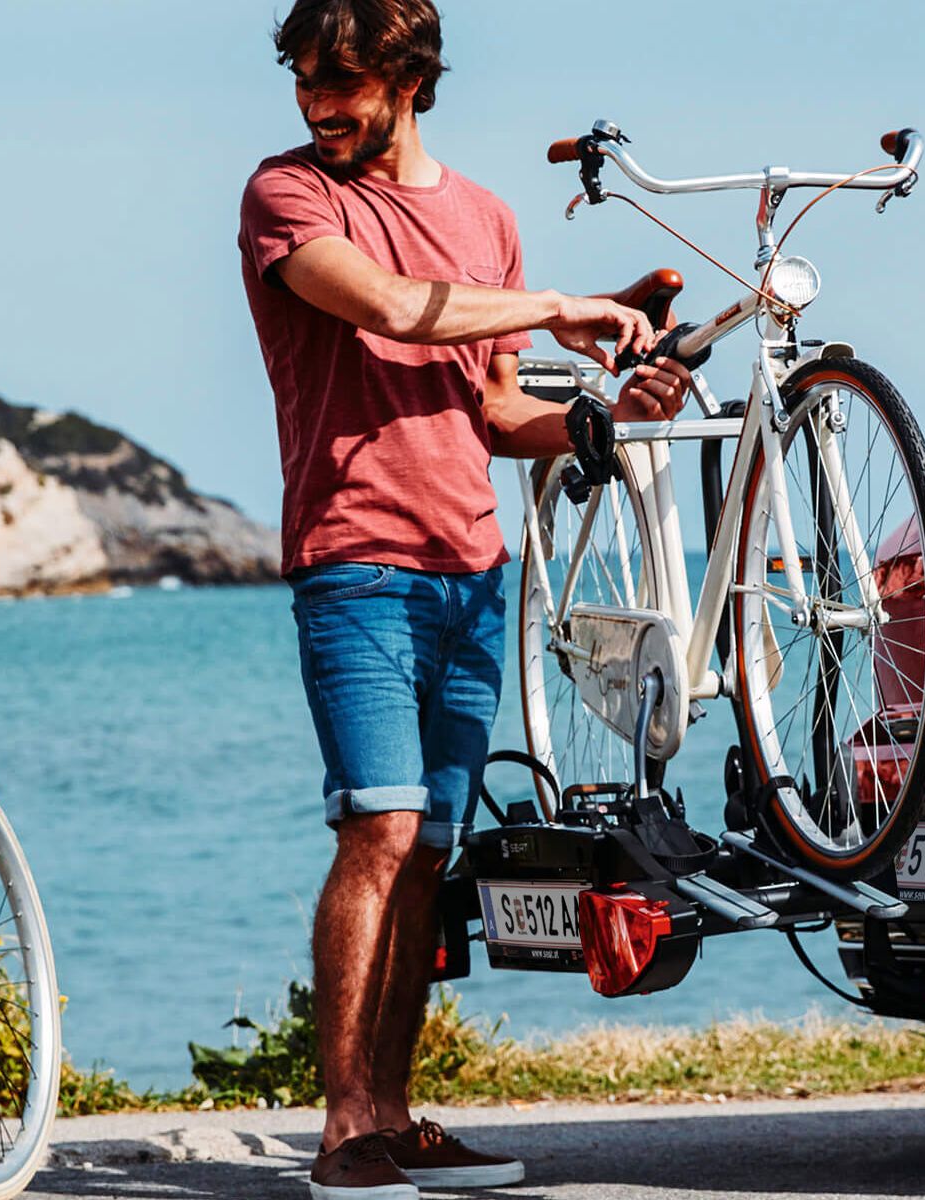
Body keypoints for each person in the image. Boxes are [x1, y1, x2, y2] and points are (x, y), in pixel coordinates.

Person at [238, 2, 693, 1195]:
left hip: (473, 571)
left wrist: (597, 417)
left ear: (410, 79)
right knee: (378, 831)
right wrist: (562, 308)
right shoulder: (289, 196)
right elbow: (390, 308)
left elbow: (494, 415)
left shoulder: (487, 217)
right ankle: (345, 1130)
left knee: (432, 853)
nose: (316, 104)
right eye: (302, 79)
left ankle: (395, 1113)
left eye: (341, 82)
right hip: (356, 561)